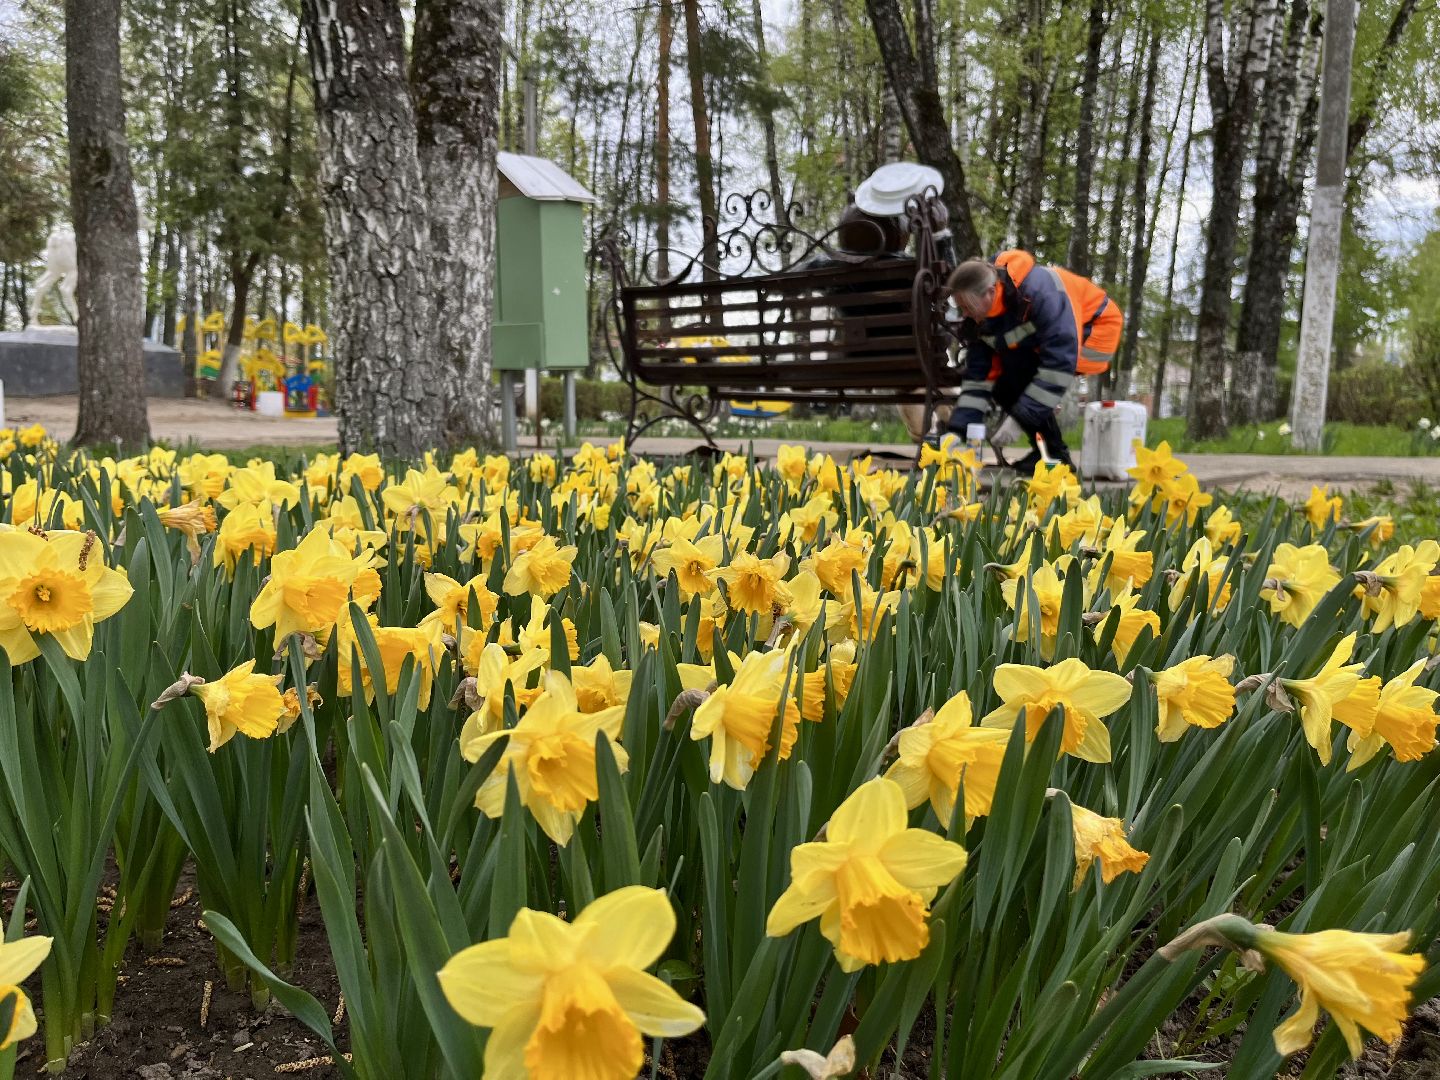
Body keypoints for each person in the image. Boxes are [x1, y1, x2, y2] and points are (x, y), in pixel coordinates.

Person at [942, 250, 1123, 471]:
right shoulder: (983, 315)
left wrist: (1021, 418)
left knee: (1020, 371)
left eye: (968, 307)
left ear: (990, 292)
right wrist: (958, 428)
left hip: (1095, 332)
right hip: (1051, 340)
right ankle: (1046, 452)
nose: (965, 314)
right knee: (1001, 377)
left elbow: (1058, 361)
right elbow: (979, 376)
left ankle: (1055, 457)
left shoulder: (1040, 293)